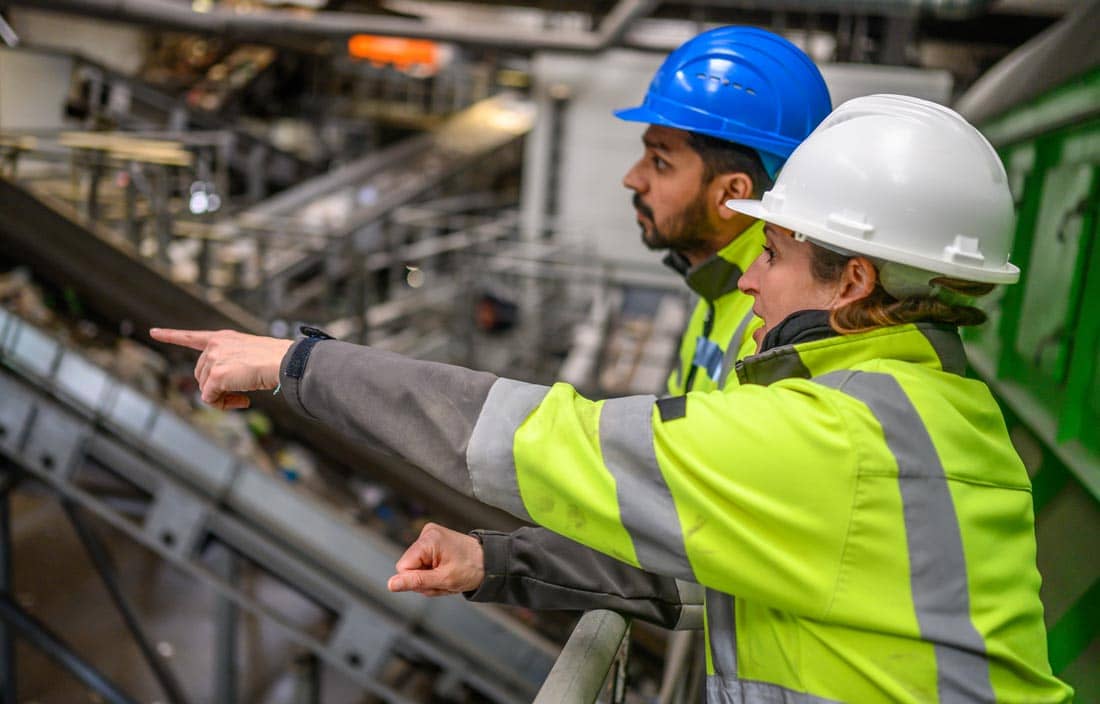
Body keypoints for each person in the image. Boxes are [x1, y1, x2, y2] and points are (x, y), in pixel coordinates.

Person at [152, 94, 1073, 701]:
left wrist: (296, 365)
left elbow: (551, 442)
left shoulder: (844, 438)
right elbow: (706, 570)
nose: (750, 282)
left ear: (852, 282)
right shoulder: (929, 407)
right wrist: (497, 562)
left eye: (778, 257)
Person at [391, 24, 836, 631]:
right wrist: (496, 559)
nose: (633, 178)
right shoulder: (717, 296)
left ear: (731, 194)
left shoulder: (774, 328)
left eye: (659, 160)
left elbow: (709, 537)